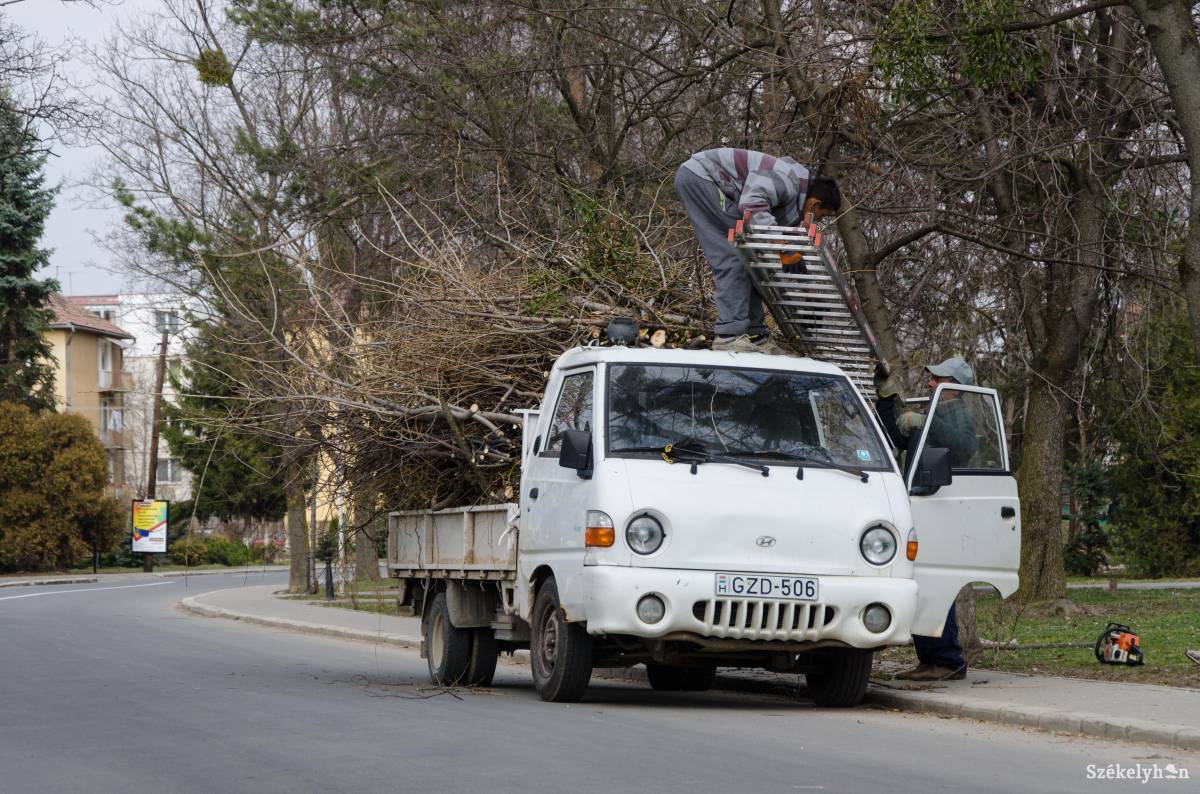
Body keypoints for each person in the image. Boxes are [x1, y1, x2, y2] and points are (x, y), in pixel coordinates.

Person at [675, 148, 842, 354]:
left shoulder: (790, 204)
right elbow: (751, 204)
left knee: (753, 260)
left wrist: (809, 296)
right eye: (820, 216)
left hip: (707, 181)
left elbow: (774, 259)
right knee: (735, 255)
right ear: (815, 203)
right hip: (702, 178)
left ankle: (755, 335)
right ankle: (729, 337)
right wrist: (783, 247)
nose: (816, 221)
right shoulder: (787, 181)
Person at [874, 355, 978, 681]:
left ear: (956, 388)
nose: (931, 383)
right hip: (922, 507)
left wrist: (924, 421)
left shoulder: (959, 414)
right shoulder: (935, 415)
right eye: (931, 378)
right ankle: (930, 659)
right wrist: (885, 400)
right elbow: (896, 437)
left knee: (935, 588)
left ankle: (948, 660)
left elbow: (963, 446)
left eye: (938, 380)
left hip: (941, 510)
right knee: (919, 585)